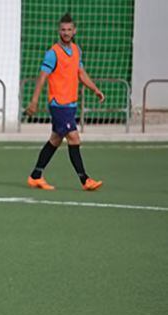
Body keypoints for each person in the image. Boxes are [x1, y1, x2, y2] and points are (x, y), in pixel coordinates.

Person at [26, 13, 104, 191]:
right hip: (58, 104)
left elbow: (81, 73)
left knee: (55, 140)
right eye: (63, 29)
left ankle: (35, 175)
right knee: (74, 138)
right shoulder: (53, 53)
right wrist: (34, 100)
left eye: (69, 29)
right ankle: (85, 180)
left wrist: (95, 89)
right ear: (58, 31)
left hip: (70, 104)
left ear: (74, 31)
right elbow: (42, 77)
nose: (66, 32)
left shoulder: (76, 50)